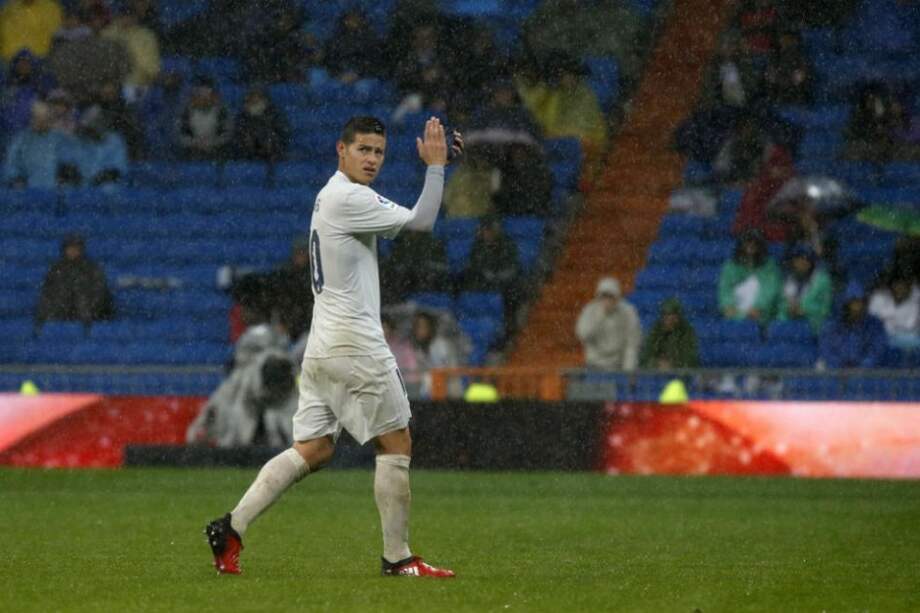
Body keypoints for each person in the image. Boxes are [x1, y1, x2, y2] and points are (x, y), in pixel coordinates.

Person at [204, 116, 462, 578]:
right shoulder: (349, 197)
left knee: (314, 448)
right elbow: (422, 221)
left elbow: (402, 215)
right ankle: (398, 558)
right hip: (354, 343)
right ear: (341, 150)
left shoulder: (331, 195)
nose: (372, 159)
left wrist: (437, 168)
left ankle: (231, 527)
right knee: (396, 440)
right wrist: (436, 168)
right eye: (363, 149)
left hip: (323, 344)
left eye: (379, 152)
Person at [187, 323, 296, 448]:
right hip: (240, 449)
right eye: (255, 351)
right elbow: (198, 432)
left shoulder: (291, 383)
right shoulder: (235, 383)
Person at [35, 234, 114, 326]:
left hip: (89, 317)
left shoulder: (92, 270)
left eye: (76, 248)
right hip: (62, 316)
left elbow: (99, 294)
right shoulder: (56, 270)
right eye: (70, 248)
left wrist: (87, 311)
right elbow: (47, 294)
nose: (72, 251)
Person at [575, 276, 642, 371]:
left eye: (610, 296)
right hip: (594, 364)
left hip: (619, 365)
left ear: (617, 296)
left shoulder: (628, 312)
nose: (607, 300)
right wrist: (601, 317)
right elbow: (584, 335)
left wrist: (628, 370)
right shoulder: (590, 310)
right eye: (604, 296)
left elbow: (632, 343)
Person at [817, 281, 887, 369]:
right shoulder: (832, 324)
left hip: (866, 374)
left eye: (861, 302)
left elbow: (876, 351)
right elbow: (826, 351)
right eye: (854, 302)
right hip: (837, 372)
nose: (858, 307)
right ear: (846, 304)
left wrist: (861, 369)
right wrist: (840, 368)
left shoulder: (875, 325)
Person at [3, 100, 72, 189]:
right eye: (37, 118)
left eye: (44, 118)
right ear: (31, 119)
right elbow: (10, 165)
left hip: (54, 191)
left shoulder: (58, 139)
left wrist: (65, 179)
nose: (41, 122)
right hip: (27, 191)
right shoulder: (21, 141)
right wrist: (16, 179)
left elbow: (69, 163)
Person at [718, 229, 782, 323]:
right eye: (748, 241)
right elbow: (725, 288)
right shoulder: (730, 266)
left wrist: (758, 307)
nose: (751, 245)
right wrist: (728, 305)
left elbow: (770, 289)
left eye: (755, 242)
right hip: (736, 313)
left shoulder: (769, 266)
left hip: (762, 313)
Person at [777, 244, 832, 333]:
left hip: (812, 327)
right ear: (793, 261)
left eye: (806, 259)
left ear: (811, 262)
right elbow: (779, 306)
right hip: (787, 325)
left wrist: (805, 311)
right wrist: (788, 309)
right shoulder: (786, 279)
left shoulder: (822, 281)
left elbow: (825, 309)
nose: (802, 263)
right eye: (798, 259)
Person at [177, 77, 233, 161]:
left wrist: (213, 143)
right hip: (191, 153)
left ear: (213, 96)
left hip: (217, 153)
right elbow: (180, 134)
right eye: (200, 94)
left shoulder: (222, 111)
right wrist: (193, 142)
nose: (204, 98)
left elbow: (227, 133)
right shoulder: (185, 112)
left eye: (207, 94)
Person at [233, 86, 290, 162]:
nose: (254, 102)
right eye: (251, 100)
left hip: (272, 155)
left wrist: (270, 145)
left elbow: (282, 136)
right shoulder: (241, 118)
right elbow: (237, 138)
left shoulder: (275, 116)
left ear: (265, 100)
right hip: (246, 156)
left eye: (257, 100)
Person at [639, 298, 699, 370]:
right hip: (657, 373)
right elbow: (645, 358)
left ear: (678, 317)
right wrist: (656, 363)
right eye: (665, 315)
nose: (668, 319)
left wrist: (672, 364)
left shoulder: (686, 333)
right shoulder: (656, 331)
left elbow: (690, 360)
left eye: (671, 315)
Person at [868, 274, 920, 350]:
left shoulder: (915, 303)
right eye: (896, 286)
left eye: (902, 287)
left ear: (908, 288)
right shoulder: (879, 299)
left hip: (912, 344)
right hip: (885, 344)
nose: (899, 290)